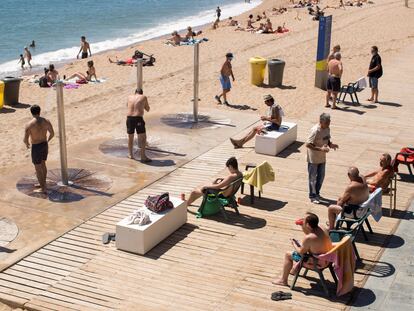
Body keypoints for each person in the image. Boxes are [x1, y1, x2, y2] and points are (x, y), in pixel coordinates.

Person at [273, 213, 333, 286]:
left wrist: (294, 244)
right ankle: (295, 269)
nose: (302, 221)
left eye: (304, 221)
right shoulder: (322, 228)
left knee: (288, 254)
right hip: (327, 259)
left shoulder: (309, 238)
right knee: (305, 247)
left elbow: (301, 252)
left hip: (316, 263)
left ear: (308, 225)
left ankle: (283, 280)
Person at [306, 113, 338, 204]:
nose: (329, 124)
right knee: (312, 178)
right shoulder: (315, 130)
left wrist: (331, 145)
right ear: (321, 122)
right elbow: (308, 144)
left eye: (329, 122)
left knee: (321, 177)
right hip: (313, 159)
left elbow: (327, 139)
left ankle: (317, 193)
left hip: (322, 158)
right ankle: (312, 196)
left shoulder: (327, 128)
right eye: (327, 122)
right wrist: (320, 149)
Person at [23, 105, 55, 194]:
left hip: (36, 146)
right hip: (44, 144)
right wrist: (47, 140)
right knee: (43, 164)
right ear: (39, 111)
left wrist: (27, 144)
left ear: (31, 113)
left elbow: (25, 139)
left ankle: (43, 188)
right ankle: (42, 183)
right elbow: (52, 133)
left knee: (37, 168)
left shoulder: (29, 125)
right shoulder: (46, 121)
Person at [126, 88, 151, 163]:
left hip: (129, 118)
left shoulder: (129, 97)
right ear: (141, 93)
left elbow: (127, 106)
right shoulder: (143, 97)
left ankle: (130, 155)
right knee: (143, 137)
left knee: (130, 137)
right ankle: (143, 157)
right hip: (138, 118)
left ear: (135, 93)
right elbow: (147, 109)